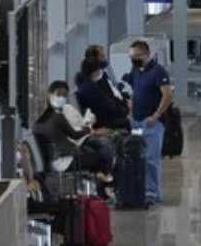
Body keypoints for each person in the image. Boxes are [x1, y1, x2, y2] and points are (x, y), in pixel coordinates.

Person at [124, 41, 174, 206]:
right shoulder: (135, 71)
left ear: (147, 54)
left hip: (152, 123)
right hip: (137, 122)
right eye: (132, 57)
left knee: (152, 159)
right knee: (138, 157)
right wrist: (130, 112)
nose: (134, 59)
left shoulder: (158, 71)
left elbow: (167, 94)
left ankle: (152, 192)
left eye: (137, 56)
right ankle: (141, 190)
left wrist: (156, 115)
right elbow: (133, 92)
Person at [33, 80, 116, 179]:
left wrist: (87, 128)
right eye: (59, 94)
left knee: (101, 148)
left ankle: (101, 175)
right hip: (65, 159)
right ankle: (102, 176)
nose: (62, 98)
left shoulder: (43, 118)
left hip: (59, 157)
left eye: (64, 95)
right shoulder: (56, 117)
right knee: (98, 155)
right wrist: (89, 130)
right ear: (50, 95)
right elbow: (74, 135)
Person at [75, 57, 131, 132]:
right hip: (102, 122)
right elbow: (108, 106)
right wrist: (124, 111)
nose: (100, 72)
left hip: (97, 119)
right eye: (99, 70)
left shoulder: (84, 86)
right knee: (128, 122)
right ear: (94, 71)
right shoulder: (92, 88)